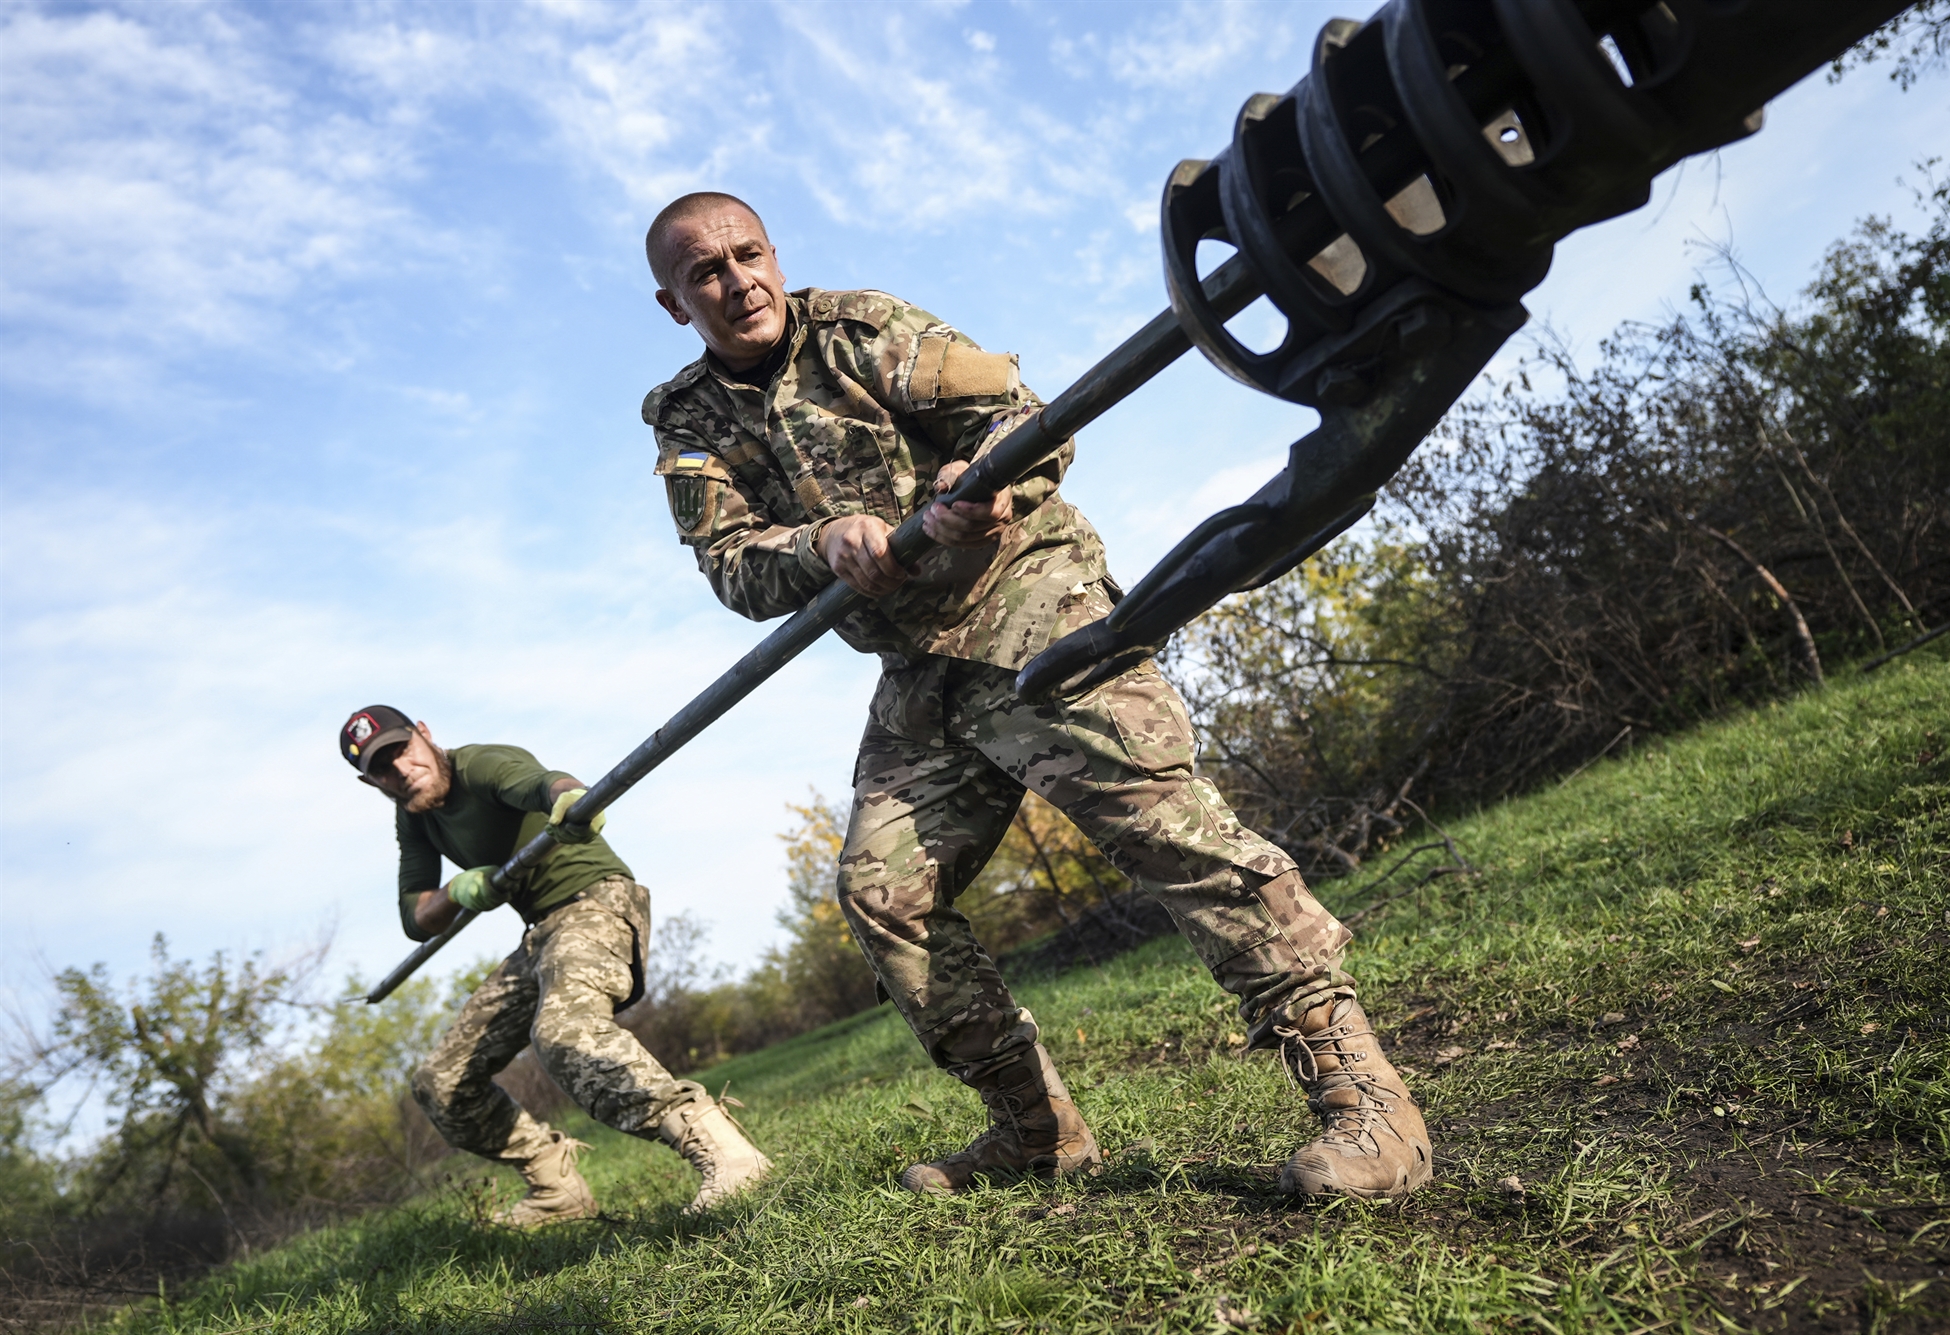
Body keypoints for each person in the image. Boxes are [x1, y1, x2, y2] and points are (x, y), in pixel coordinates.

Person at [638, 192, 1431, 1201]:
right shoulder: (685, 422)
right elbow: (731, 567)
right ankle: (1036, 1132)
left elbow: (1023, 418)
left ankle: (1366, 1104)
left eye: (748, 254)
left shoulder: (862, 330)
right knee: (885, 897)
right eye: (705, 272)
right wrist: (816, 543)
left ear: (774, 254)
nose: (736, 281)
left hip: (1030, 604)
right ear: (674, 303)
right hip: (919, 671)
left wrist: (990, 484)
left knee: (1168, 833)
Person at [340, 704, 771, 1223]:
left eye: (402, 750)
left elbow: (543, 783)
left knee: (565, 1031)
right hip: (539, 934)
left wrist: (571, 798)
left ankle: (729, 1155)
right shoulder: (414, 816)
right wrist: (457, 890)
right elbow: (416, 914)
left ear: (424, 736)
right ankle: (556, 1189)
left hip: (597, 903)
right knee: (442, 1082)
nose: (401, 770)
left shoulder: (481, 764)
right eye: (382, 768)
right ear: (372, 783)